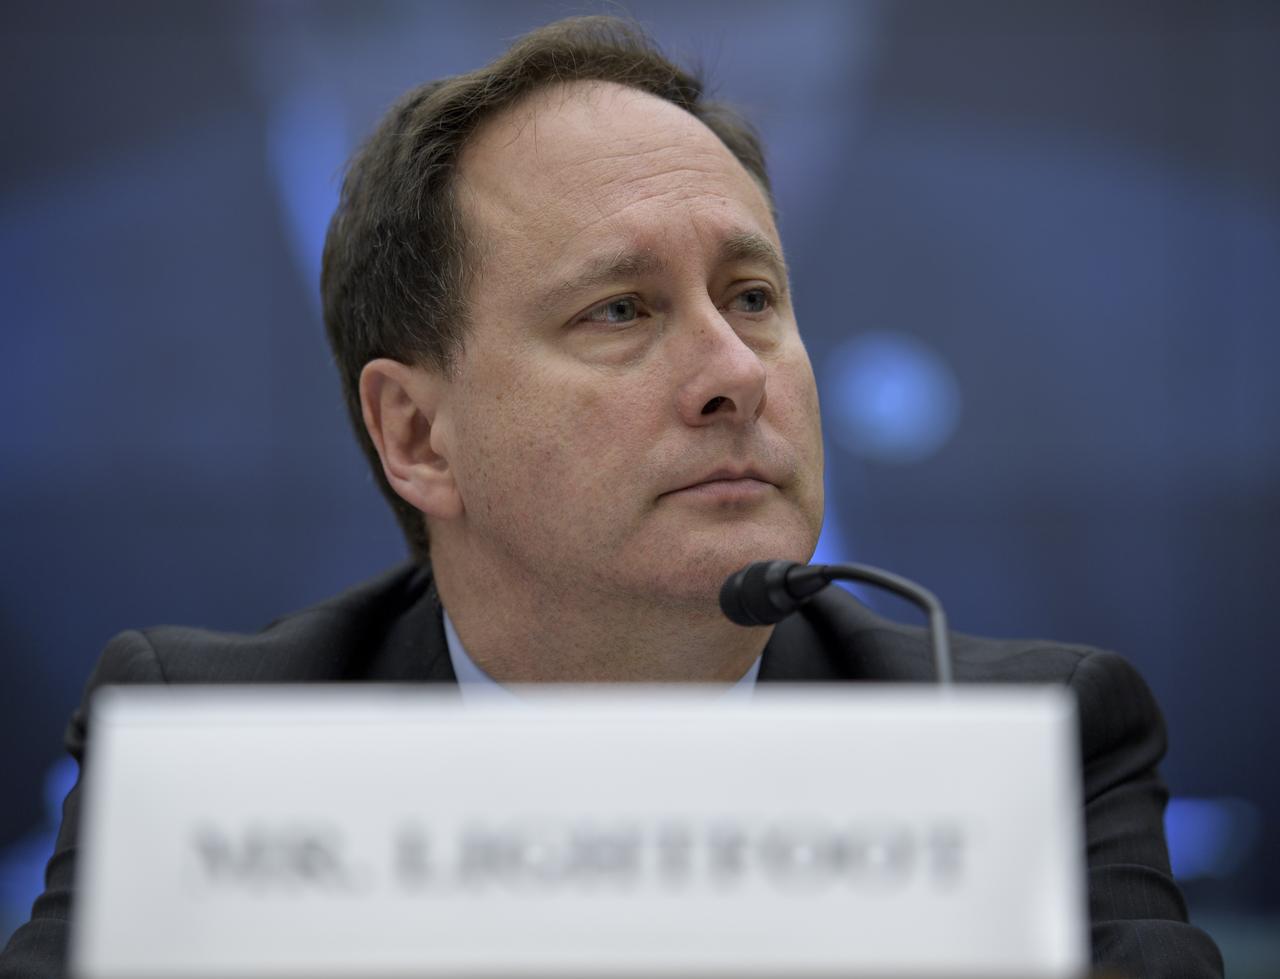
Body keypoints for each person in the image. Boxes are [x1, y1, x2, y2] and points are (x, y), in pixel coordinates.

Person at [0, 16, 1221, 979]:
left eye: (751, 297)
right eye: (620, 310)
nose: (734, 375)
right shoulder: (207, 752)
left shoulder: (1023, 741)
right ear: (417, 435)